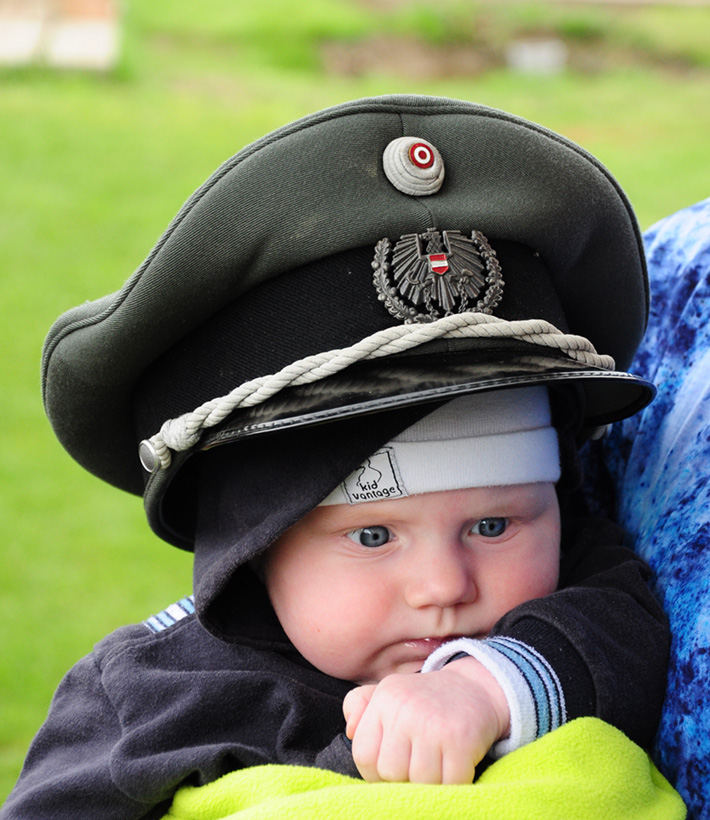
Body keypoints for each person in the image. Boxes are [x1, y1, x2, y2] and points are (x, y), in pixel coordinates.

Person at [1, 95, 669, 820]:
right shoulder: (147, 694)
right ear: (253, 545)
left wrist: (482, 688)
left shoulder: (583, 595)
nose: (444, 587)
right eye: (373, 534)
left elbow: (621, 629)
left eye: (493, 525)